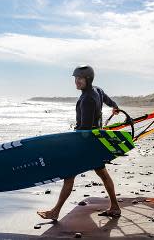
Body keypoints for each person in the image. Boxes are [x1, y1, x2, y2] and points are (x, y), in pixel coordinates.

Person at [37, 65, 122, 220]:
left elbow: (85, 131)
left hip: (86, 145)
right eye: (75, 78)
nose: (76, 81)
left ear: (88, 79)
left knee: (69, 175)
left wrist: (69, 142)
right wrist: (115, 107)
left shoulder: (87, 99)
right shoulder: (97, 90)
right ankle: (115, 206)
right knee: (102, 174)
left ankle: (55, 212)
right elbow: (109, 100)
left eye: (80, 79)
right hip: (96, 143)